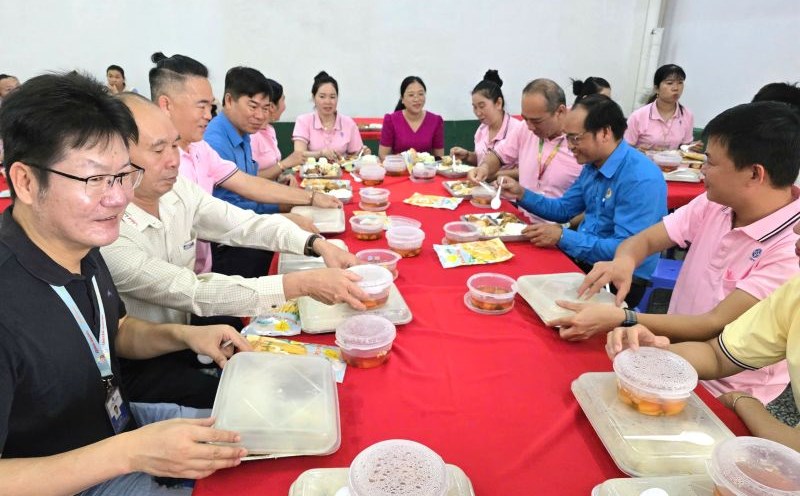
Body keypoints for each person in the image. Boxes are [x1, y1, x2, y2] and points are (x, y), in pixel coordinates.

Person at [0, 71, 250, 495]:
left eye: (122, 176)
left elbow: (113, 330)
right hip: (75, 477)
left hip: (119, 426)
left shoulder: (80, 239)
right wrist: (130, 454)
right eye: (94, 179)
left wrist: (187, 335)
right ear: (26, 181)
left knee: (259, 433)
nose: (118, 199)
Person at [100, 93, 368, 407]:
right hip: (143, 358)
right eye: (159, 149)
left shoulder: (177, 190)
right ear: (116, 158)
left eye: (175, 145)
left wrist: (315, 244)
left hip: (189, 330)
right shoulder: (109, 229)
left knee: (267, 360)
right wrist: (301, 285)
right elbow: (191, 290)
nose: (174, 160)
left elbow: (241, 224)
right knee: (240, 403)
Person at [562, 101, 800, 403]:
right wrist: (624, 260)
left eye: (711, 162)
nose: (702, 170)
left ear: (754, 174)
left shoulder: (791, 248)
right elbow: (644, 241)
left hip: (728, 390)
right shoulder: (716, 203)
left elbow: (713, 324)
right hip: (671, 350)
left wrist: (626, 318)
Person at [605, 222, 800, 451]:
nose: (796, 228)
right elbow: (718, 355)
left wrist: (743, 401)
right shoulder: (794, 292)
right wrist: (651, 351)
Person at [147, 52, 327, 274]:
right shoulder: (159, 163)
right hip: (193, 270)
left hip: (202, 268)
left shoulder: (199, 147)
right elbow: (218, 219)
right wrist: (282, 217)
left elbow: (247, 183)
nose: (208, 115)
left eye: (210, 107)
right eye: (201, 106)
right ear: (166, 105)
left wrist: (312, 197)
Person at [499, 95, 667, 307]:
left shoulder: (641, 179)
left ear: (605, 133)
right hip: (584, 260)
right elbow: (563, 209)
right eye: (567, 138)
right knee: (518, 287)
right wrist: (521, 193)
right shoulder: (592, 165)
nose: (570, 147)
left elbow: (625, 248)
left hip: (620, 277)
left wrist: (563, 237)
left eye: (576, 138)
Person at [467, 78, 583, 222]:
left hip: (558, 231)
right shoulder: (523, 128)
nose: (530, 127)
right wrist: (484, 168)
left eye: (536, 121)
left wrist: (564, 230)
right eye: (525, 118)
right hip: (521, 221)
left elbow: (591, 206)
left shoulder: (581, 140)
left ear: (560, 111)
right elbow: (498, 155)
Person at [449, 70, 525, 168]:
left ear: (498, 103)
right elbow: (481, 160)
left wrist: (492, 174)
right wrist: (467, 155)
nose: (478, 112)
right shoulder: (481, 130)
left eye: (482, 106)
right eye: (475, 107)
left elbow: (525, 171)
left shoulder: (517, 129)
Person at [292, 71, 367, 161]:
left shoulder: (348, 123)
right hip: (311, 173)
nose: (328, 101)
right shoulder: (303, 121)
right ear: (313, 97)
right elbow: (299, 154)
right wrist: (320, 154)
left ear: (337, 98)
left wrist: (363, 154)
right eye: (322, 96)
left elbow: (355, 155)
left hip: (342, 173)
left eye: (332, 97)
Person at [624, 64, 695, 151]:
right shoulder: (638, 116)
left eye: (680, 83)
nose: (676, 88)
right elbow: (625, 149)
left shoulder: (687, 115)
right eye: (670, 83)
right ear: (656, 88)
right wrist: (638, 150)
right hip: (643, 162)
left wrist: (691, 147)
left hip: (674, 164)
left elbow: (685, 149)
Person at [378, 76, 444, 160]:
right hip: (399, 170)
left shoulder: (435, 121)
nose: (416, 99)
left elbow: (439, 158)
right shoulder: (391, 120)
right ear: (402, 99)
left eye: (421, 94)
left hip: (426, 171)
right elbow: (382, 156)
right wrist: (398, 160)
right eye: (411, 95)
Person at [251, 78, 302, 182]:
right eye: (283, 100)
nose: (285, 106)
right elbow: (250, 178)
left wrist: (282, 178)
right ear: (272, 107)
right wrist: (285, 163)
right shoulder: (252, 136)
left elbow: (273, 171)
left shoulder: (270, 130)